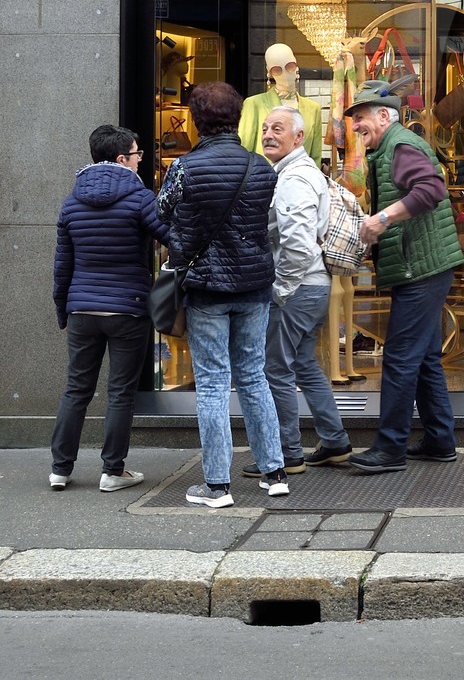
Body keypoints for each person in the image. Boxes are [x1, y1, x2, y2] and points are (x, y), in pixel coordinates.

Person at [156, 81, 283, 508]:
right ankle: (275, 472)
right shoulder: (262, 167)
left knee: (212, 383)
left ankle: (217, 486)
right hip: (255, 284)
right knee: (253, 375)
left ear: (196, 121)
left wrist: (179, 241)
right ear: (237, 119)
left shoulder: (184, 168)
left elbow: (161, 212)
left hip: (207, 287)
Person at [345, 79, 464, 474]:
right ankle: (440, 440)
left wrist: (381, 219)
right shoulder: (390, 147)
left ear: (384, 115)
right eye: (354, 120)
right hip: (424, 264)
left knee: (399, 358)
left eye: (361, 118)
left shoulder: (400, 146)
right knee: (426, 356)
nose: (356, 126)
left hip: (421, 268)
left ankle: (390, 448)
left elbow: (430, 190)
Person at [49, 125, 170, 492]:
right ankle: (112, 472)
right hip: (127, 309)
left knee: (76, 390)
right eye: (137, 155)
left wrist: (63, 311)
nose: (140, 161)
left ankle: (60, 469)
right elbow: (174, 237)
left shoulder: (72, 202)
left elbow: (62, 267)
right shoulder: (140, 199)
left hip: (82, 310)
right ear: (122, 159)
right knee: (120, 393)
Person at [250, 105, 350, 479]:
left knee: (275, 369)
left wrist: (281, 289)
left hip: (298, 288)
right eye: (264, 128)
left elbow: (299, 244)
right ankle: (335, 442)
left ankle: (287, 454)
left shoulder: (293, 178)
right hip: (312, 286)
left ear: (298, 137)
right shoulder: (295, 173)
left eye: (277, 128)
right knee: (305, 365)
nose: (267, 134)